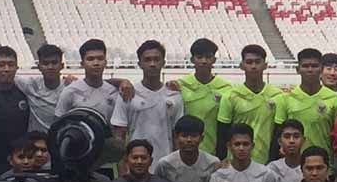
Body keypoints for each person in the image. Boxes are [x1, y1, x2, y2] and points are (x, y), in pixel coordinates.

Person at [112, 40, 183, 173]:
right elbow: (119, 135)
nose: (152, 64)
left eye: (157, 59)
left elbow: (177, 136)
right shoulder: (128, 94)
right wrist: (122, 168)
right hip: (135, 166)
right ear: (140, 64)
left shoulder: (174, 95)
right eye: (147, 60)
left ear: (163, 62)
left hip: (166, 166)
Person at [217, 44, 284, 164]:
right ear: (242, 66)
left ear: (265, 65)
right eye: (249, 62)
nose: (253, 66)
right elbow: (222, 134)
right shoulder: (230, 96)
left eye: (257, 62)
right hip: (236, 164)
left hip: (266, 163)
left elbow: (277, 134)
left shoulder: (278, 96)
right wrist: (222, 160)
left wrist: (273, 160)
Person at [273, 48, 337, 163]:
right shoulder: (285, 99)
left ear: (321, 69)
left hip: (324, 167)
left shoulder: (335, 99)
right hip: (293, 166)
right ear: (297, 69)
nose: (310, 70)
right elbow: (278, 137)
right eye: (305, 66)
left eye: (314, 66)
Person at [174, 38, 233, 156]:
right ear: (192, 59)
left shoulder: (226, 88)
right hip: (184, 151)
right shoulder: (180, 86)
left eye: (208, 57)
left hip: (214, 153)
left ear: (214, 60)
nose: (204, 61)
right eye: (199, 57)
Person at [0, 46, 32, 182]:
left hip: (20, 163)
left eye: (11, 65)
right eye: (1, 65)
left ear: (17, 67)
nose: (6, 69)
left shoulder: (26, 93)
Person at [56, 38, 120, 122]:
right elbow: (58, 122)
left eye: (100, 58)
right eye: (90, 59)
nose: (96, 63)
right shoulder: (70, 91)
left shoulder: (114, 92)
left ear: (105, 62)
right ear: (82, 64)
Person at [17, 43, 70, 133]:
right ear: (39, 67)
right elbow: (5, 77)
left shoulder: (70, 88)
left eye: (54, 63)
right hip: (37, 142)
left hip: (61, 141)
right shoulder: (30, 85)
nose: (50, 67)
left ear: (62, 66)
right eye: (45, 63)